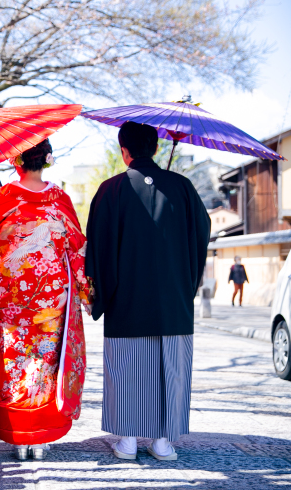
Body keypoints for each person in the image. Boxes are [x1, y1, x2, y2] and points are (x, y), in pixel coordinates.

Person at [85, 121, 210, 462]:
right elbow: (201, 235)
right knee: (170, 369)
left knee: (128, 367)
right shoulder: (183, 188)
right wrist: (186, 285)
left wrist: (100, 294)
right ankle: (163, 441)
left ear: (124, 151)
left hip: (127, 299)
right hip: (173, 299)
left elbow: (97, 245)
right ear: (155, 149)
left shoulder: (111, 190)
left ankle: (126, 440)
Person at [0, 139, 92, 460]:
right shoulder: (60, 199)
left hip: (10, 298)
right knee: (45, 362)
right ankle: (40, 437)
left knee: (12, 361)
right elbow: (76, 250)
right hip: (51, 299)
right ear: (47, 160)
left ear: (16, 161)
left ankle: (18, 436)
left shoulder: (1, 198)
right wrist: (87, 291)